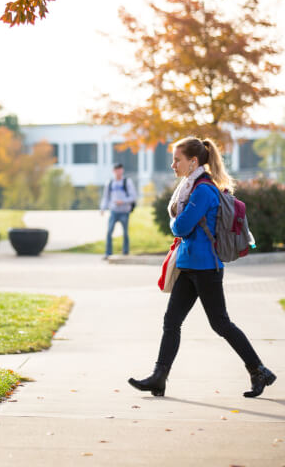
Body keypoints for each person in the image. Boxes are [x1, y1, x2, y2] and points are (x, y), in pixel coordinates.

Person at [128, 136, 276, 398]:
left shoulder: (204, 190)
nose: (173, 165)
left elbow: (181, 226)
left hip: (206, 267)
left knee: (220, 324)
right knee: (171, 321)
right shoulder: (189, 187)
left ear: (193, 161)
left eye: (177, 160)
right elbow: (183, 224)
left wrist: (174, 222)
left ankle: (258, 370)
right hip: (188, 265)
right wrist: (179, 221)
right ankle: (159, 377)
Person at [100, 162, 138, 259]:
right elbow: (106, 197)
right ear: (113, 171)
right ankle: (108, 253)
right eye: (116, 169)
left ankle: (125, 252)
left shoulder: (127, 182)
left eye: (120, 169)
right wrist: (103, 208)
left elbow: (133, 196)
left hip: (124, 211)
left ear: (122, 170)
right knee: (109, 231)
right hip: (114, 210)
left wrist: (123, 201)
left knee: (125, 233)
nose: (118, 171)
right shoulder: (110, 183)